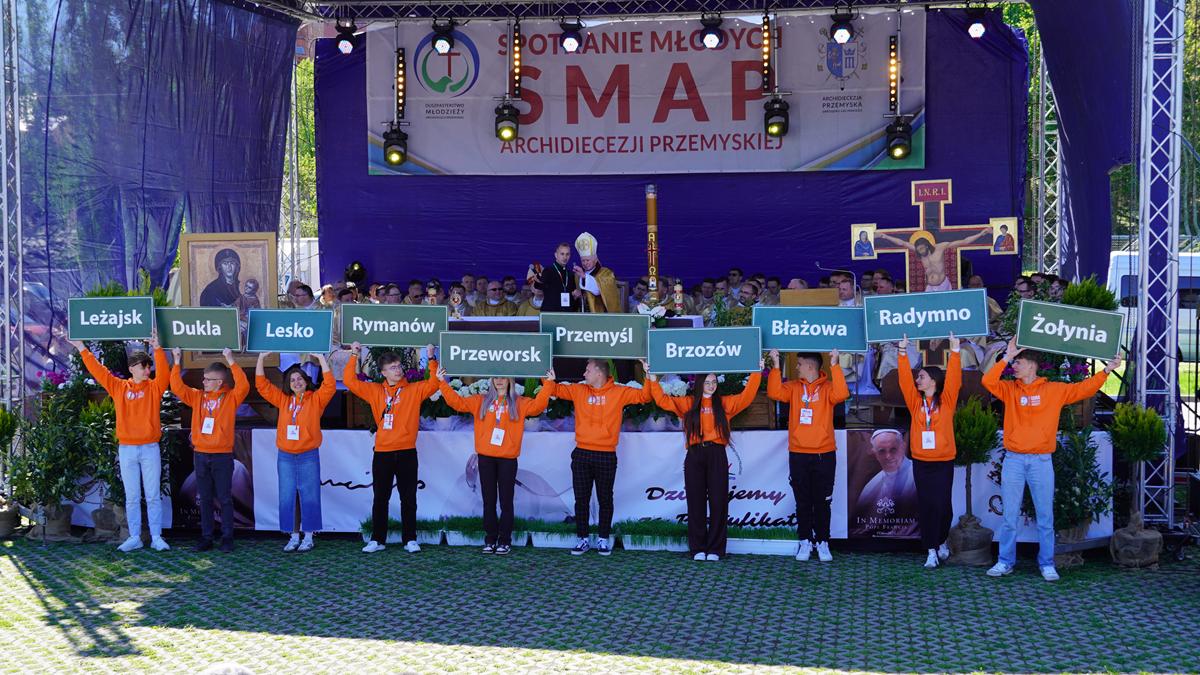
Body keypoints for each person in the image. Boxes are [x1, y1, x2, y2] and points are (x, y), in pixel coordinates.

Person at [982, 338, 1120, 581]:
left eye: (1018, 362)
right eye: (1013, 362)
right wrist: (1006, 357)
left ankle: (1047, 563)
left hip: (1041, 461)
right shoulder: (1009, 389)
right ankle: (1005, 561)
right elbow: (987, 381)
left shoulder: (1053, 390)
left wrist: (1107, 370)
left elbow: (1084, 389)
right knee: (1009, 517)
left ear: (1032, 365)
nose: (1014, 366)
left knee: (1045, 517)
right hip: (1013, 460)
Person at [644, 361, 763, 561]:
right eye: (707, 382)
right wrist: (652, 379)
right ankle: (698, 547)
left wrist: (756, 371)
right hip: (694, 455)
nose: (711, 385)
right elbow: (662, 401)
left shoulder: (724, 403)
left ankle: (715, 549)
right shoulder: (689, 404)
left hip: (717, 454)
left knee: (718, 502)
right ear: (699, 384)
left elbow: (747, 397)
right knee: (695, 502)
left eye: (714, 382)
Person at [435, 365, 555, 554]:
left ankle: (505, 540)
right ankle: (490, 539)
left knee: (506, 502)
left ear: (510, 380)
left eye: (503, 377)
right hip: (486, 458)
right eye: (495, 377)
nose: (499, 380)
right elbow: (456, 403)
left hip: (508, 459)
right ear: (491, 380)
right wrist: (442, 383)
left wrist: (548, 383)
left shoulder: (519, 402)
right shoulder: (481, 401)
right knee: (488, 501)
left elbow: (538, 406)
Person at [70, 337, 171, 552]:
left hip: (150, 448)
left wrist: (157, 348)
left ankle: (156, 537)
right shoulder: (119, 387)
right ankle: (134, 537)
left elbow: (164, 374)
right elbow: (99, 372)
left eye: (149, 366)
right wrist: (81, 348)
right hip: (126, 449)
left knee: (153, 495)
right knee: (132, 497)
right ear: (132, 368)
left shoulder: (155, 387)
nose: (147, 370)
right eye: (143, 366)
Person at [343, 343, 441, 553]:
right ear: (383, 373)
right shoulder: (375, 391)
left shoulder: (413, 389)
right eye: (392, 367)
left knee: (408, 498)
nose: (398, 370)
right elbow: (349, 381)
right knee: (380, 498)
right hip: (382, 453)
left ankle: (410, 539)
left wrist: (431, 358)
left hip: (407, 452)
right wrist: (354, 354)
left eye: (398, 366)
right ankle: (377, 540)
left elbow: (434, 384)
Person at [549, 359, 652, 554]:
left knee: (605, 499)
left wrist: (648, 375)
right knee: (581, 499)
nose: (584, 374)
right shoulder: (579, 390)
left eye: (587, 370)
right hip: (581, 453)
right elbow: (554, 390)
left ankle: (603, 539)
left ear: (599, 373)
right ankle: (582, 539)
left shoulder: (619, 392)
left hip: (606, 454)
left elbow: (645, 396)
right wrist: (548, 379)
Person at [767, 349, 849, 562]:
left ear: (811, 366)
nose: (797, 367)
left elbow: (842, 394)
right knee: (802, 501)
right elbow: (774, 393)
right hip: (798, 453)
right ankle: (805, 540)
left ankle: (822, 541)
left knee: (823, 502)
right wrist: (776, 365)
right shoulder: (794, 387)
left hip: (824, 454)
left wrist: (835, 365)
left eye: (800, 364)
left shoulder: (828, 388)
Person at [170, 347, 249, 553]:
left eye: (208, 379)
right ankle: (206, 537)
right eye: (204, 378)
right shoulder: (197, 397)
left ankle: (227, 537)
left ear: (219, 382)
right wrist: (176, 361)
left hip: (222, 455)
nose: (203, 382)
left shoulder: (231, 397)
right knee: (204, 498)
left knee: (224, 498)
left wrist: (231, 360)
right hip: (200, 454)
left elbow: (244, 385)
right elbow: (177, 387)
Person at [255, 351, 336, 552]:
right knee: (287, 496)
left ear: (306, 381)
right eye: (292, 380)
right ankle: (293, 536)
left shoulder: (316, 399)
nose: (296, 382)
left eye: (300, 378)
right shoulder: (283, 400)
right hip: (286, 456)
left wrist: (321, 359)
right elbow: (262, 385)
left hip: (308, 455)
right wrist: (261, 359)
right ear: (288, 384)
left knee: (310, 495)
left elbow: (330, 385)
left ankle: (308, 536)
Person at [895, 333, 962, 568]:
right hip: (922, 462)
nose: (917, 380)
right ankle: (931, 550)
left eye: (921, 376)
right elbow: (904, 382)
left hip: (943, 462)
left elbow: (954, 380)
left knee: (943, 506)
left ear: (934, 380)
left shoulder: (947, 401)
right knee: (927, 506)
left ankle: (941, 540)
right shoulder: (916, 403)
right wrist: (901, 353)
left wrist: (955, 352)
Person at [853, 429, 919, 539]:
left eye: (893, 449)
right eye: (881, 451)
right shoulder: (871, 486)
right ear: (875, 454)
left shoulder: (918, 475)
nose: (888, 456)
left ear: (903, 447)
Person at [876, 230, 990, 292]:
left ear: (927, 245)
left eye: (922, 249)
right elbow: (902, 243)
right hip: (930, 287)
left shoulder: (940, 248)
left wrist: (981, 234)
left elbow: (964, 241)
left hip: (943, 285)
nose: (920, 251)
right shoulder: (920, 253)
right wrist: (884, 236)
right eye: (918, 250)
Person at [572, 232, 622, 313]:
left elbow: (599, 291)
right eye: (583, 260)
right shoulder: (578, 275)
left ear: (595, 260)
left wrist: (584, 277)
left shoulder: (606, 273)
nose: (585, 263)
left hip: (600, 316)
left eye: (588, 260)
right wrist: (576, 295)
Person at [532, 242, 580, 312]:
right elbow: (540, 285)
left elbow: (573, 296)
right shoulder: (548, 271)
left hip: (567, 313)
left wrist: (575, 296)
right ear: (556, 255)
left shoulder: (570, 274)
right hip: (551, 313)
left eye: (567, 254)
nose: (565, 257)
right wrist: (538, 281)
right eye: (562, 254)